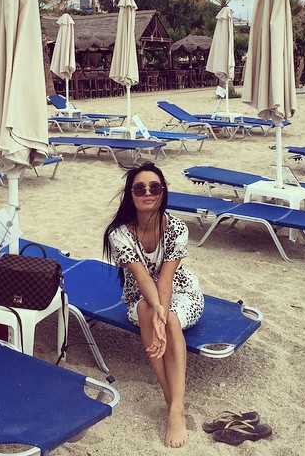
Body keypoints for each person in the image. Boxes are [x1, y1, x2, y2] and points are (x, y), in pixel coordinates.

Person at [103, 162, 204, 448]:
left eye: (154, 187)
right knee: (148, 310)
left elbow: (167, 278)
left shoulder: (177, 228)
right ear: (131, 195)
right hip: (141, 297)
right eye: (140, 189)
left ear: (162, 192)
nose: (147, 193)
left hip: (183, 292)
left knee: (169, 320)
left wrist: (163, 314)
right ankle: (171, 400)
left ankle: (176, 408)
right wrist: (158, 311)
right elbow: (143, 279)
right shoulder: (119, 234)